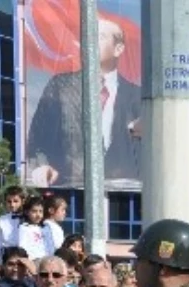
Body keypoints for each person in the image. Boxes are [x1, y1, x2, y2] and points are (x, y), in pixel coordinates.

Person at [26, 18, 140, 186]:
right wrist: (42, 166)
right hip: (71, 190)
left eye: (99, 37)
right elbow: (38, 139)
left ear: (118, 49)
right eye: (86, 36)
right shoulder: (61, 87)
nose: (90, 42)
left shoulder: (137, 96)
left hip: (125, 196)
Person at [0, 186, 26, 267]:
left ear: (23, 201)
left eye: (16, 201)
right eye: (9, 201)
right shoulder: (2, 220)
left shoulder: (29, 218)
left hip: (27, 258)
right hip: (9, 259)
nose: (12, 204)